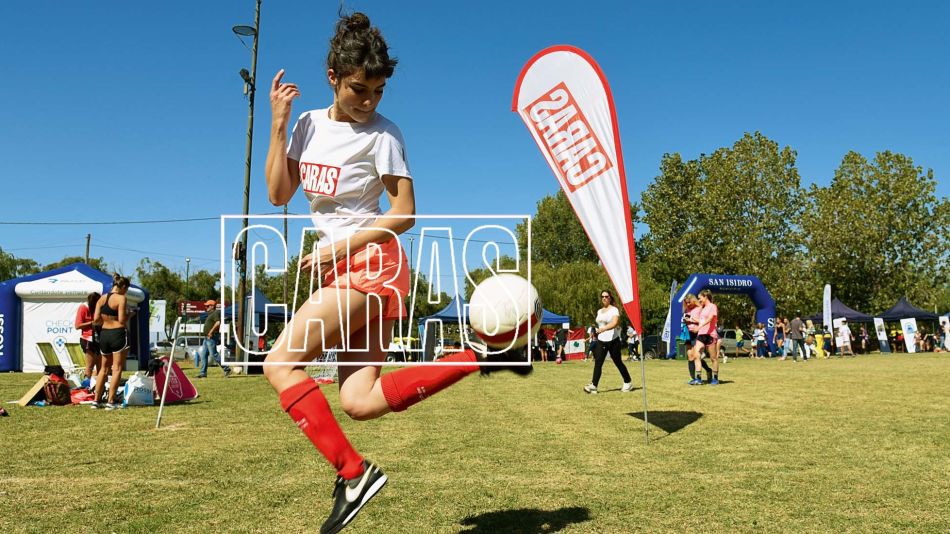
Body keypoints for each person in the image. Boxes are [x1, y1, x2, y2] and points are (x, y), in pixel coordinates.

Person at [262, 13, 530, 533]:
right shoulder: (307, 126)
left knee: (278, 364)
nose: (369, 102)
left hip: (373, 264)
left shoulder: (383, 134)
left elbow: (404, 213)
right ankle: (475, 357)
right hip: (339, 268)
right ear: (333, 77)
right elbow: (278, 195)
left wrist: (344, 244)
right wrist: (277, 125)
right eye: (360, 89)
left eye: (379, 91)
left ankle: (353, 474)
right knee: (358, 402)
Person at [91, 275, 132, 410]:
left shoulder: (102, 298)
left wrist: (106, 320)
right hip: (117, 334)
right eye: (127, 289)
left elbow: (96, 320)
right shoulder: (121, 298)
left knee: (103, 369)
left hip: (104, 335)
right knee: (117, 368)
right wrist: (129, 315)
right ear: (124, 287)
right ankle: (110, 401)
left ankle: (96, 401)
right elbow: (121, 320)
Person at [583, 290, 633, 394]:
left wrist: (604, 329)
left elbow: (615, 323)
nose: (604, 298)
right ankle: (594, 386)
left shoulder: (614, 310)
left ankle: (628, 382)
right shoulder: (599, 311)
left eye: (606, 296)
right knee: (598, 362)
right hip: (601, 340)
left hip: (613, 341)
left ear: (610, 298)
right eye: (602, 296)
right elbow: (599, 324)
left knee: (617, 362)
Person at [683, 294, 712, 384]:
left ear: (694, 301)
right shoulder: (687, 309)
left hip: (698, 333)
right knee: (690, 356)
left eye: (689, 302)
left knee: (697, 356)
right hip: (688, 333)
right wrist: (685, 320)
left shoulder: (700, 308)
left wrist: (692, 320)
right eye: (686, 303)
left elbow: (703, 321)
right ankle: (693, 378)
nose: (688, 304)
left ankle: (708, 370)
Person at [694, 290, 721, 384]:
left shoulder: (712, 306)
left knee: (713, 358)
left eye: (700, 298)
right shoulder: (703, 308)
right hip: (701, 334)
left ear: (705, 297)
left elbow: (710, 319)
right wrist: (692, 319)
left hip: (710, 334)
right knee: (696, 354)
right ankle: (698, 378)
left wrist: (699, 327)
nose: (699, 300)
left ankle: (715, 378)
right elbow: (702, 320)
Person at [197, 299, 229, 378]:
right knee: (204, 355)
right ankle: (203, 373)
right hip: (206, 338)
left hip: (211, 337)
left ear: (212, 306)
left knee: (214, 354)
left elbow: (218, 323)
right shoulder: (210, 314)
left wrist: (210, 332)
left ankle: (227, 369)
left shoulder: (215, 313)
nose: (206, 307)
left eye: (207, 306)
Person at [74, 292, 101, 381]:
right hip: (88, 339)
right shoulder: (83, 307)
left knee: (100, 366)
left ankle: (96, 385)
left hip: (99, 338)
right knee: (90, 366)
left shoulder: (98, 308)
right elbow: (77, 326)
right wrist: (92, 323)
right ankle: (86, 385)